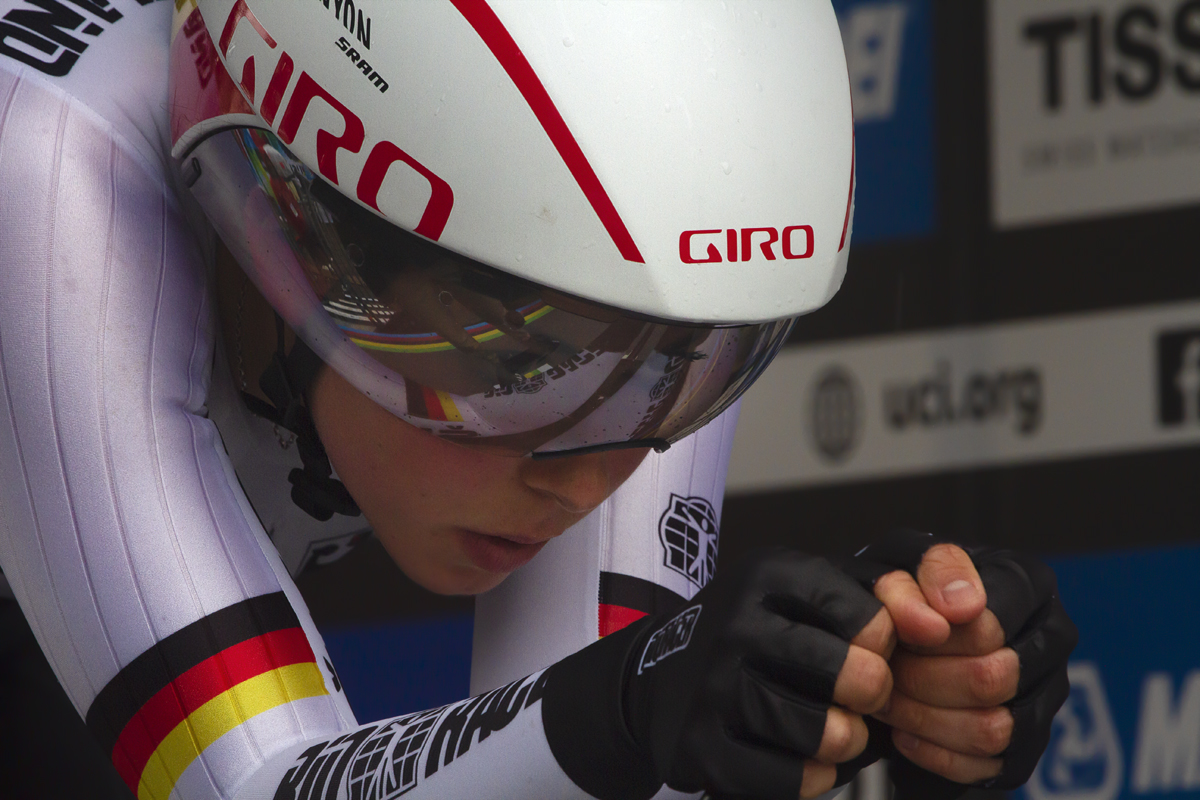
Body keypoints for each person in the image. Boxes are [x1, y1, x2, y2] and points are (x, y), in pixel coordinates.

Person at [0, 1, 1075, 799]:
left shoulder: (624, 305)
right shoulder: (47, 176)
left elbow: (588, 742)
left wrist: (848, 672)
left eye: (690, 369)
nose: (589, 477)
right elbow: (261, 787)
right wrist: (632, 702)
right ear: (300, 228)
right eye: (519, 366)